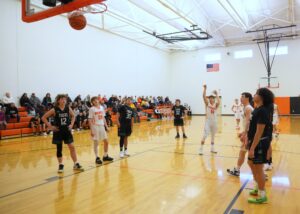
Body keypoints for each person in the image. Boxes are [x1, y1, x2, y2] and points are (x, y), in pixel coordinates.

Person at [42, 94, 84, 173]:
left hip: (66, 131)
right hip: (58, 131)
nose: (64, 100)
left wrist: (71, 125)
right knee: (59, 148)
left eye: (65, 99)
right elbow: (43, 117)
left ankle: (76, 163)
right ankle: (60, 165)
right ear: (58, 100)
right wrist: (50, 127)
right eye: (62, 99)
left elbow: (73, 116)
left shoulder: (68, 108)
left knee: (72, 146)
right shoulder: (54, 109)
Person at [247, 88, 274, 204]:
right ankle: (257, 186)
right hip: (254, 141)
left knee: (258, 169)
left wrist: (252, 147)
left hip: (260, 142)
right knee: (250, 163)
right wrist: (246, 136)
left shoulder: (263, 111)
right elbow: (253, 128)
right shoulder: (257, 109)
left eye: (257, 93)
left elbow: (259, 132)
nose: (254, 95)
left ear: (262, 97)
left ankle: (262, 195)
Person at [227, 93, 254, 176]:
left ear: (248, 98)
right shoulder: (246, 107)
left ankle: (260, 173)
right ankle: (237, 170)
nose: (240, 98)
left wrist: (244, 134)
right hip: (249, 133)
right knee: (243, 152)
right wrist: (243, 132)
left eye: (242, 97)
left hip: (249, 134)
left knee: (249, 154)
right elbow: (248, 122)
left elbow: (249, 122)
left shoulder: (248, 108)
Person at [88, 97, 114, 165]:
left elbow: (103, 118)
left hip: (102, 126)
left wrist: (106, 127)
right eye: (94, 100)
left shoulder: (102, 107)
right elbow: (90, 120)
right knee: (96, 142)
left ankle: (105, 156)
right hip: (95, 126)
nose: (95, 101)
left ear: (98, 100)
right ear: (92, 102)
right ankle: (97, 157)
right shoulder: (91, 109)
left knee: (106, 141)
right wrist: (91, 130)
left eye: (96, 99)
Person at [199, 85, 220, 155]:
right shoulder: (207, 103)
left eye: (212, 98)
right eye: (210, 98)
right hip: (208, 121)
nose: (211, 99)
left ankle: (212, 148)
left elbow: (219, 102)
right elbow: (203, 96)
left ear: (214, 99)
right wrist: (205, 89)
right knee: (205, 135)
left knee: (213, 136)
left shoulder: (216, 105)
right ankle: (201, 149)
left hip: (214, 122)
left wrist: (217, 95)